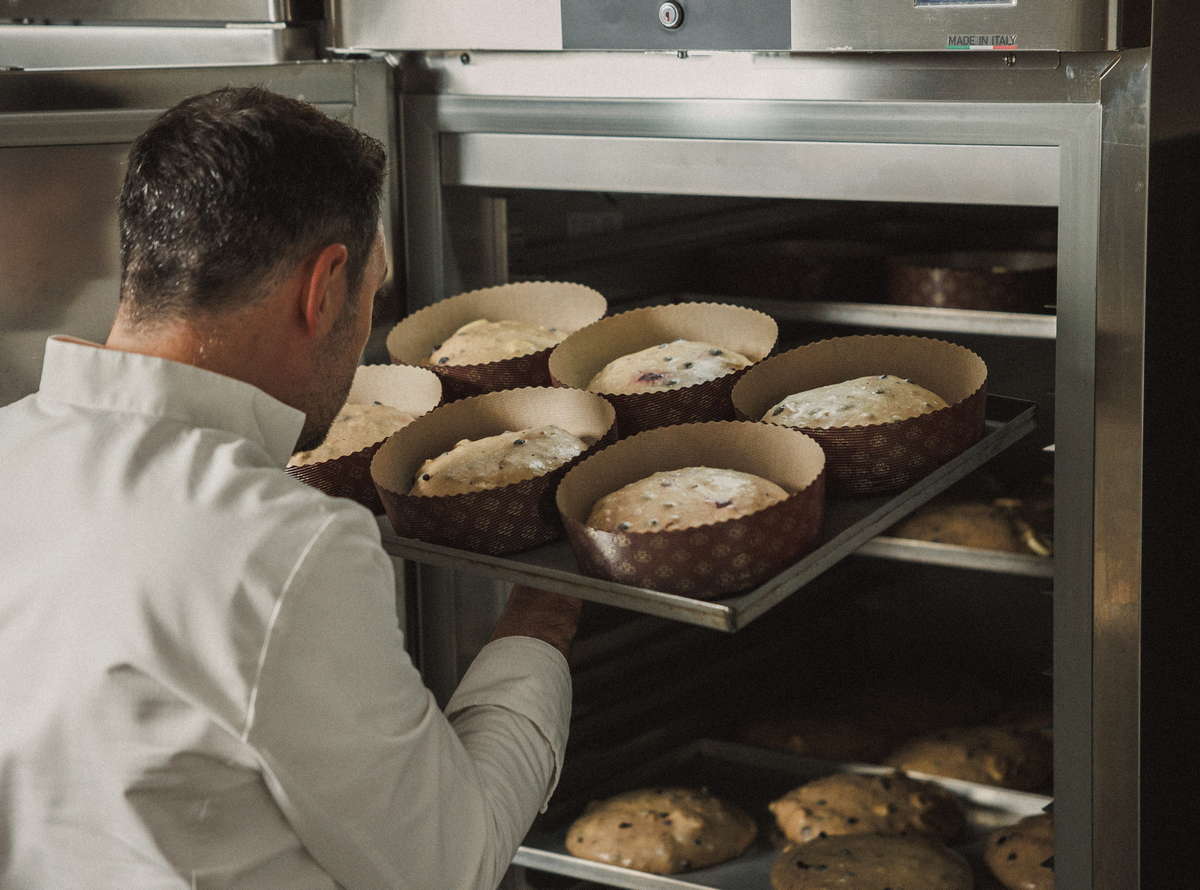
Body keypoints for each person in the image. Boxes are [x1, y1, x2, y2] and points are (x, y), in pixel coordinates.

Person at [0, 86, 582, 889]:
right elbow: (451, 867)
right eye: (373, 294)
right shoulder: (279, 544)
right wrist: (544, 614)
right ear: (324, 287)